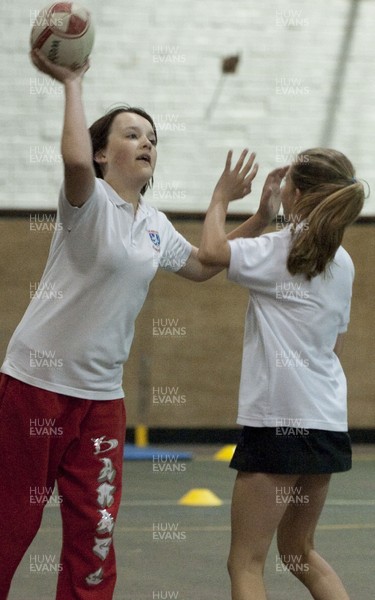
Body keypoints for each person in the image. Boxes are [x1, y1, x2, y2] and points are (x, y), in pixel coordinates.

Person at [0, 50, 285, 600]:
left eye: (152, 135)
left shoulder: (152, 225)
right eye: (132, 134)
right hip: (36, 389)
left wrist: (257, 217)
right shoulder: (88, 202)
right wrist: (72, 82)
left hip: (101, 401)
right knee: (13, 523)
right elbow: (76, 164)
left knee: (96, 535)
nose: (148, 141)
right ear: (105, 153)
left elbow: (204, 265)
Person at [198, 147, 365, 600]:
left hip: (279, 420)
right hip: (327, 421)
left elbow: (210, 253)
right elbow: (335, 343)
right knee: (299, 551)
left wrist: (220, 197)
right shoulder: (342, 262)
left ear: (296, 193)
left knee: (246, 562)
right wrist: (271, 215)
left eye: (287, 181)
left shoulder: (281, 249)